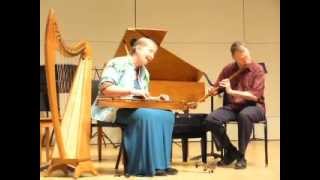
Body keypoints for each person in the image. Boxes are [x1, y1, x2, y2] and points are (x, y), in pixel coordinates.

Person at [91, 37, 178, 176]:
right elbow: (105, 88)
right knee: (145, 115)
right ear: (137, 48)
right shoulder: (117, 63)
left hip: (134, 108)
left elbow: (141, 97)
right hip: (114, 109)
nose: (152, 56)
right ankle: (142, 166)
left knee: (167, 114)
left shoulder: (145, 72)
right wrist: (132, 91)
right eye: (150, 51)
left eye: (154, 53)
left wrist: (156, 98)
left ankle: (161, 164)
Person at [205, 41, 266, 169]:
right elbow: (218, 88)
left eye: (248, 56)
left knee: (244, 115)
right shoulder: (228, 69)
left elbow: (255, 96)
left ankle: (242, 156)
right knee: (210, 119)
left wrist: (231, 91)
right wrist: (213, 91)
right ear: (235, 58)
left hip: (254, 106)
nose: (247, 60)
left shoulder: (257, 69)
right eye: (243, 58)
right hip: (233, 107)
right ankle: (231, 151)